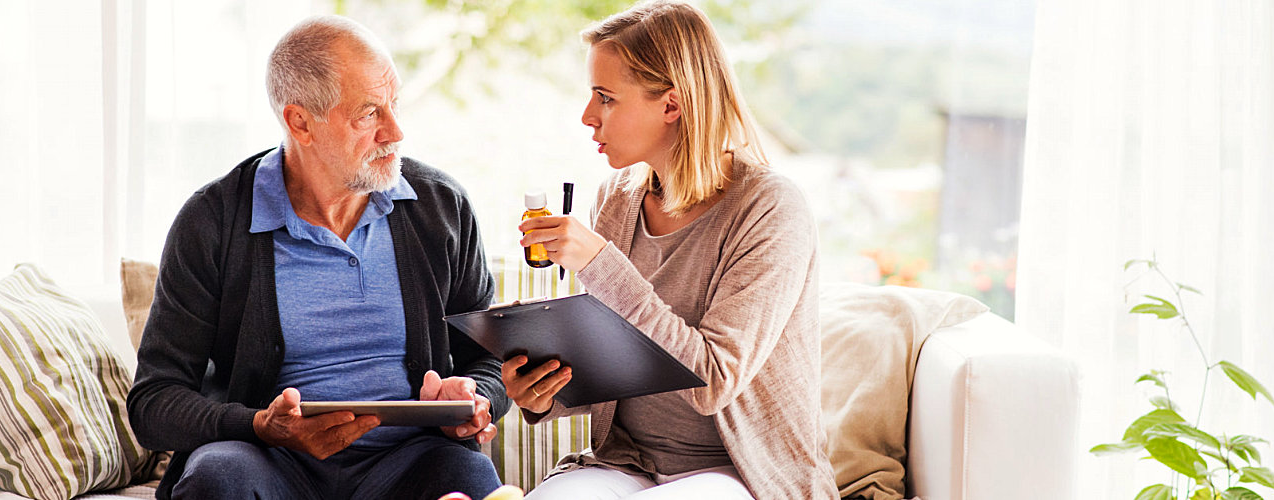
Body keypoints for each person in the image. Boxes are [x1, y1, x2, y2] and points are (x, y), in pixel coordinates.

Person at [126, 15, 507, 500]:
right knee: (217, 477)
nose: (395, 131)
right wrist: (260, 425)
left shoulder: (441, 206)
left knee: (470, 480)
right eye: (369, 113)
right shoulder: (212, 220)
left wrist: (474, 399)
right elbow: (154, 403)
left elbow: (489, 362)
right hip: (270, 461)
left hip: (411, 459)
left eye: (394, 105)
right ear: (300, 122)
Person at [510, 1, 834, 498]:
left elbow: (712, 382)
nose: (587, 116)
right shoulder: (615, 198)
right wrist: (542, 394)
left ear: (671, 105)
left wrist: (601, 264)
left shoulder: (770, 208)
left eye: (606, 97)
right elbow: (615, 358)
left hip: (740, 472)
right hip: (625, 462)